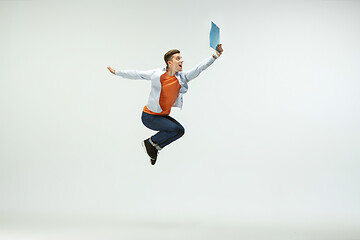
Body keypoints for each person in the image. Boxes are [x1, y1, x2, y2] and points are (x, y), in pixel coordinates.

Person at [107, 44, 223, 165]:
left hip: (162, 116)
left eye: (181, 58)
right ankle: (149, 142)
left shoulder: (182, 78)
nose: (181, 60)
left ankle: (155, 148)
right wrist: (117, 72)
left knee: (180, 131)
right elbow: (137, 74)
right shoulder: (157, 74)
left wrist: (215, 56)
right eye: (178, 58)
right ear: (169, 62)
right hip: (149, 116)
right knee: (173, 129)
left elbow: (200, 68)